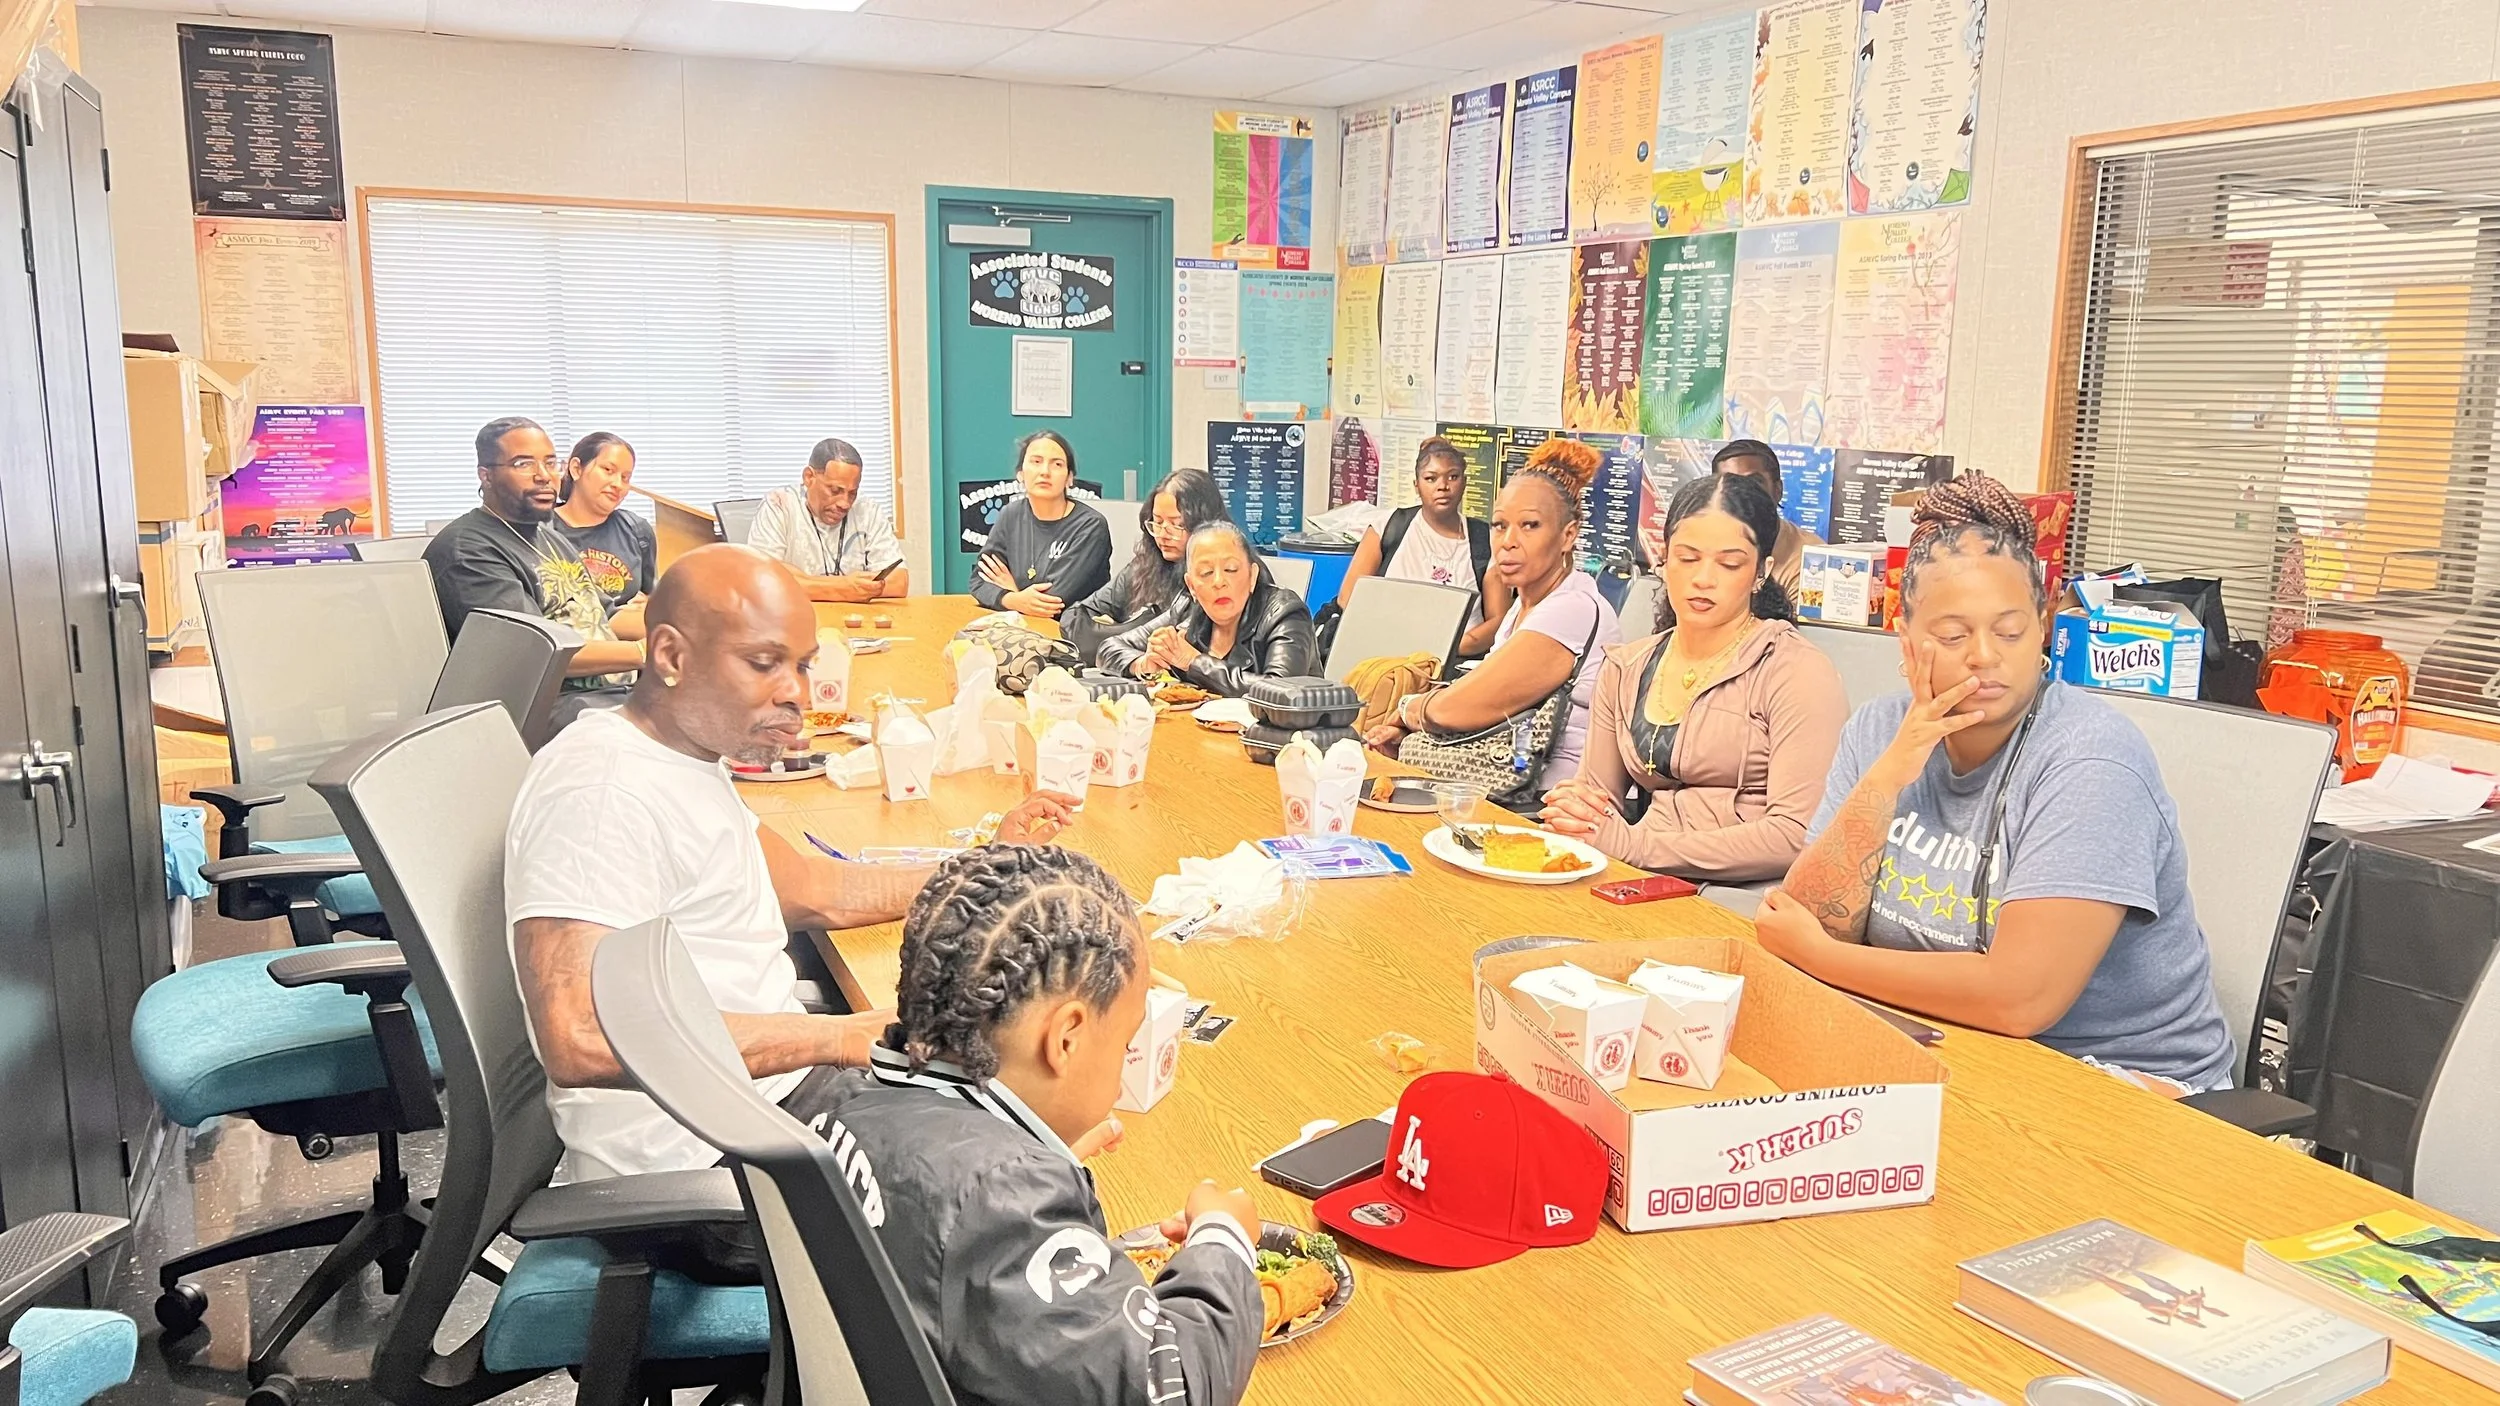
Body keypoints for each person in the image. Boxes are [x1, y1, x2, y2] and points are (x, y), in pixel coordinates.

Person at [507, 545, 1078, 1191]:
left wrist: (985, 865)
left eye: (802, 665)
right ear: (670, 656)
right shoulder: (602, 790)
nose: (797, 693)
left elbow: (814, 889)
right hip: (705, 1156)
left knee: (1030, 1100)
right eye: (763, 664)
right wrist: (833, 1039)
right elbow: (579, 1036)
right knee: (1011, 1170)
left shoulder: (681, 756)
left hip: (766, 1102)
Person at [1755, 474, 2237, 1095]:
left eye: (2009, 632)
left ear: (2044, 628)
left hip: (2119, 1081)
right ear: (1907, 641)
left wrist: (1824, 958)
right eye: (1953, 636)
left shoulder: (2090, 759)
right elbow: (1805, 921)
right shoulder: (1878, 731)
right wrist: (1891, 773)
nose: (1984, 655)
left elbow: (2019, 999)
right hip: (1952, 1050)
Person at [810, 845, 1264, 1405]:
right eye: (1125, 1043)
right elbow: (1173, 1390)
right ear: (1066, 1038)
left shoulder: (849, 1099)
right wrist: (1222, 1241)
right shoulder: (1004, 1201)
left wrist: (1032, 1157)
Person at [1542, 474, 1848, 882]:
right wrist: (1575, 811)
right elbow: (1596, 800)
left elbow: (1798, 833)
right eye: (1687, 559)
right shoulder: (1626, 667)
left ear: (1762, 571)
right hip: (1638, 881)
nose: (1704, 578)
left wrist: (1636, 847)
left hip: (1745, 894)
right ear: (1663, 559)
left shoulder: (1794, 670)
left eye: (1729, 564)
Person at [1362, 438, 1623, 796]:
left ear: (1568, 535)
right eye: (1499, 525)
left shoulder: (1572, 608)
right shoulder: (1523, 606)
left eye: (1530, 525)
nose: (1508, 541)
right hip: (1512, 780)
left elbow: (1462, 706)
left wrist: (1409, 710)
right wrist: (1410, 729)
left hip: (1552, 801)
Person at [423, 417, 646, 692]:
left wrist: (679, 628)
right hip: (555, 704)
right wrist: (643, 652)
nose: (544, 476)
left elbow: (606, 615)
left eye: (550, 463)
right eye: (523, 464)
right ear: (486, 475)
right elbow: (537, 650)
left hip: (613, 693)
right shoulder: (468, 550)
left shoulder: (549, 537)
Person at [1096, 521, 1316, 695]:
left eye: (1231, 569)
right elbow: (1109, 648)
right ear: (1191, 586)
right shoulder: (1186, 609)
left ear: (1252, 576)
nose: (1219, 582)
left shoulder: (1284, 612)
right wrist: (1144, 664)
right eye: (1206, 573)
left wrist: (1193, 662)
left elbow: (1283, 691)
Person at [1333, 437, 1507, 655]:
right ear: (1416, 485)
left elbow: (1499, 620)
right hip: (1387, 657)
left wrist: (1444, 649)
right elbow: (1348, 597)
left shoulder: (1486, 540)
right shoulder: (1388, 527)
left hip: (1459, 661)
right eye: (1431, 478)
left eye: (1453, 477)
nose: (1443, 487)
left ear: (1465, 482)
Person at [1064, 467, 1230, 662]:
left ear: (1205, 523)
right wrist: (1128, 633)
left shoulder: (1223, 578)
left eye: (1177, 524)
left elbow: (1170, 646)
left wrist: (1116, 633)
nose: (1163, 534)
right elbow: (1073, 618)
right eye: (1157, 522)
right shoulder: (1144, 566)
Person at [748, 437, 909, 603]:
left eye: (852, 493)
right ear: (809, 477)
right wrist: (842, 589)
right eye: (835, 491)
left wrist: (804, 583)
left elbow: (898, 582)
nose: (844, 503)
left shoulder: (868, 511)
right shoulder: (779, 505)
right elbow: (763, 577)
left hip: (855, 616)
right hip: (796, 614)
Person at [972, 431, 1113, 620]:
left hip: (1073, 632)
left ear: (1069, 478)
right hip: (1023, 628)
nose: (1045, 472)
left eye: (1057, 464)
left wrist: (1012, 592)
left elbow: (1051, 602)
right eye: (1036, 461)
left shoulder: (1091, 526)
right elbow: (979, 581)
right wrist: (1015, 599)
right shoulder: (1010, 515)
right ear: (1020, 474)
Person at [550, 430, 654, 638]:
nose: (618, 484)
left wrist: (648, 606)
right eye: (608, 470)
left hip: (630, 649)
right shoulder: (541, 530)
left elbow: (651, 595)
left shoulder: (637, 530)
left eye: (625, 477)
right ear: (576, 468)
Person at [1712, 439, 1822, 596]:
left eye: (1753, 483)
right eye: (1730, 484)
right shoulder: (1699, 542)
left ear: (1778, 490)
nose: (1741, 493)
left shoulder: (1812, 558)